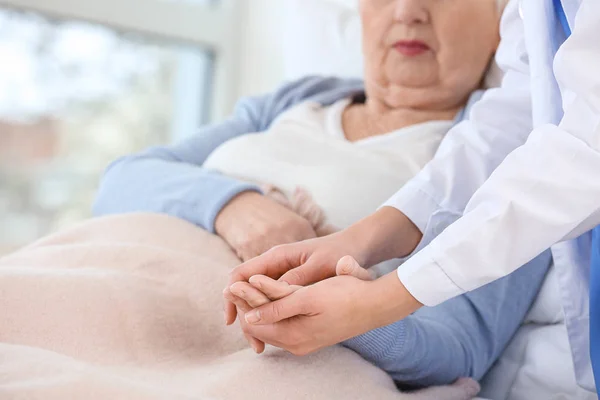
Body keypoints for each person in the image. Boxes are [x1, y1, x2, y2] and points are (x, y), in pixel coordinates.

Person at [93, 0, 546, 388]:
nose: (409, 11)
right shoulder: (296, 100)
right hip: (109, 282)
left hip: (216, 357)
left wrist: (356, 315)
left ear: (505, 21)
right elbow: (121, 180)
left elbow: (460, 349)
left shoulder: (511, 160)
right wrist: (235, 206)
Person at [225, 0, 600, 395]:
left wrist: (376, 307)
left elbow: (583, 152)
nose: (407, 11)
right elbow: (522, 112)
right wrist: (350, 242)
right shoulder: (297, 102)